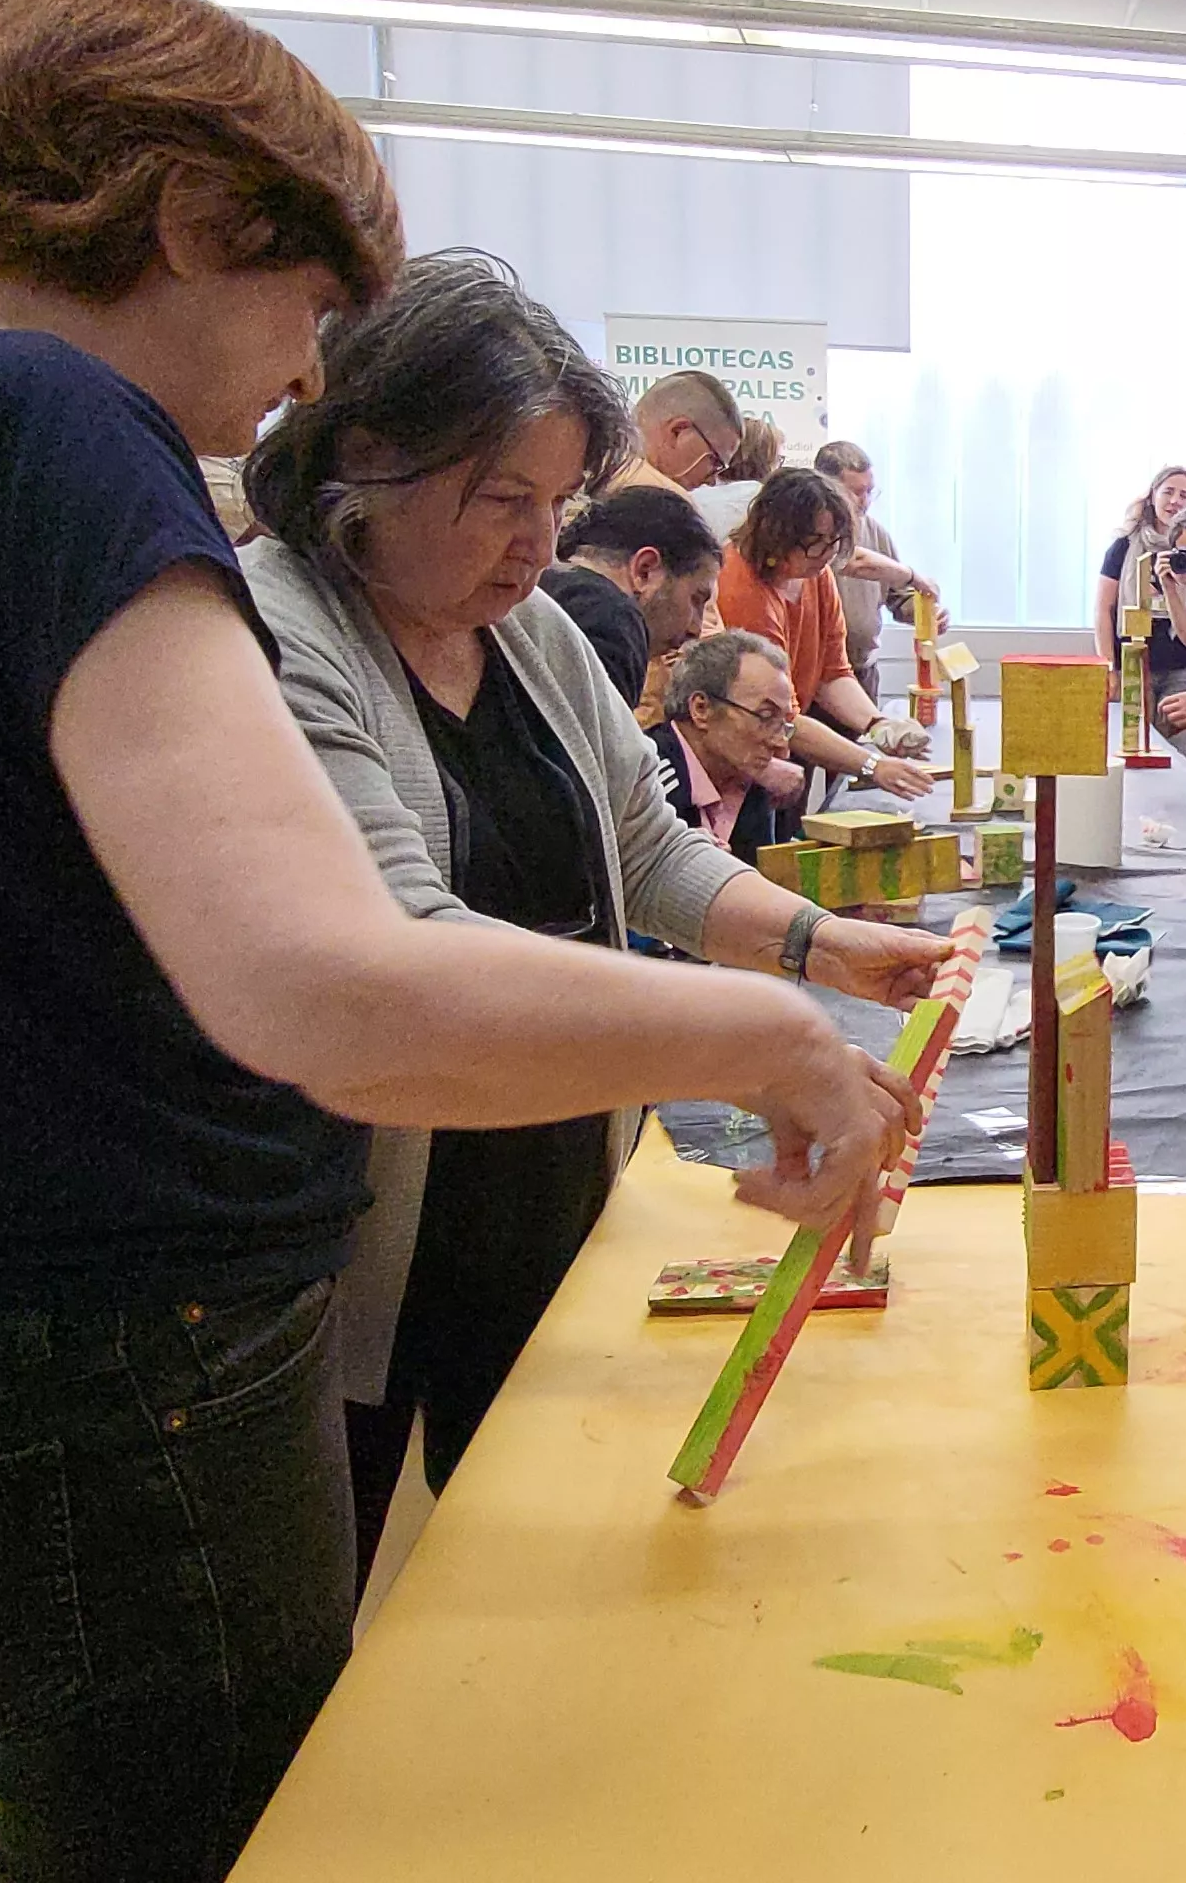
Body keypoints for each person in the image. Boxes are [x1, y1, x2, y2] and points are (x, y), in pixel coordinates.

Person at [0, 0, 922, 1883]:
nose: (294, 386)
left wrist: (784, 969)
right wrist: (768, 1039)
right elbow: (331, 982)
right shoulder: (37, 417)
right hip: (113, 1372)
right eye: (307, 314)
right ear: (184, 220)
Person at [238, 252, 949, 1582]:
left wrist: (816, 943)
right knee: (310, 1603)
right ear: (368, 464)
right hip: (357, 1230)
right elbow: (413, 952)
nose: (534, 540)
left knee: (515, 1547)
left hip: (539, 1174)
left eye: (554, 501)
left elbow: (648, 845)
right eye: (500, 497)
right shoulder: (277, 636)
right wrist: (753, 1038)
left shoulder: (529, 631)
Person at [713, 464, 937, 802]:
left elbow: (833, 674)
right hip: (742, 757)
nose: (828, 553)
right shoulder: (741, 590)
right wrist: (872, 764)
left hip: (780, 740)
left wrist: (878, 724)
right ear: (776, 534)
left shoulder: (815, 573)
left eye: (834, 542)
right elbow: (781, 716)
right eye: (815, 543)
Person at [1098, 465, 1186, 770]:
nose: (1174, 500)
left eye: (1184, 494)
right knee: (1132, 747)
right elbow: (1103, 610)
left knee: (1175, 754)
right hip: (1133, 663)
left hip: (1182, 666)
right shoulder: (1124, 546)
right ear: (1152, 496)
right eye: (1168, 492)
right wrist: (1108, 667)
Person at [542, 483, 720, 710]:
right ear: (645, 570)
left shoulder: (541, 588)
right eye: (696, 599)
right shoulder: (613, 620)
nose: (696, 629)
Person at [816, 438, 939, 700]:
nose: (865, 501)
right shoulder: (811, 533)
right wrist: (912, 575)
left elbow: (900, 597)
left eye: (870, 491)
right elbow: (855, 561)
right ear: (825, 488)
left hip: (863, 670)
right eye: (856, 492)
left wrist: (927, 615)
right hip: (816, 673)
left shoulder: (876, 533)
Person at [665, 627, 805, 854]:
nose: (781, 745)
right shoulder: (648, 788)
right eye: (765, 717)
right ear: (702, 709)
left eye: (784, 724)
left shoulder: (752, 783)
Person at [617, 372, 774, 540]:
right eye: (714, 461)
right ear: (678, 432)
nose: (712, 480)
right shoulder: (666, 511)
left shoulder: (596, 477)